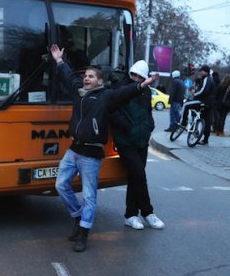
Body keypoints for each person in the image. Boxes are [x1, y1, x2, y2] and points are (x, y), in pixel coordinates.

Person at [50, 44, 158, 252]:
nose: (86, 79)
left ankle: (83, 232)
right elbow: (68, 76)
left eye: (91, 76)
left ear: (99, 81)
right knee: (61, 185)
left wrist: (142, 85)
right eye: (86, 76)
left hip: (91, 155)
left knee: (89, 196)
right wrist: (59, 60)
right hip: (74, 150)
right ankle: (78, 217)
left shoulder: (106, 96)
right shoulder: (79, 92)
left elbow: (124, 93)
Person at [110, 61, 165, 231]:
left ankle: (131, 215)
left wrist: (150, 125)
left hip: (141, 139)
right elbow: (112, 110)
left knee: (135, 177)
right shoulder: (121, 88)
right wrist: (126, 127)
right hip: (126, 141)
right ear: (131, 73)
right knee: (139, 175)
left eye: (140, 76)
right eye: (135, 75)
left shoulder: (146, 91)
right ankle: (148, 212)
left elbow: (147, 112)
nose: (137, 79)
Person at [192, 65, 215, 145]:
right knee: (205, 120)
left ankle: (183, 123)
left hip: (205, 102)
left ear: (205, 71)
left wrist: (195, 94)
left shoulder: (207, 79)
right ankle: (204, 139)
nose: (200, 72)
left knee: (187, 106)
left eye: (201, 71)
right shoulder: (207, 79)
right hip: (208, 102)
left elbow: (204, 90)